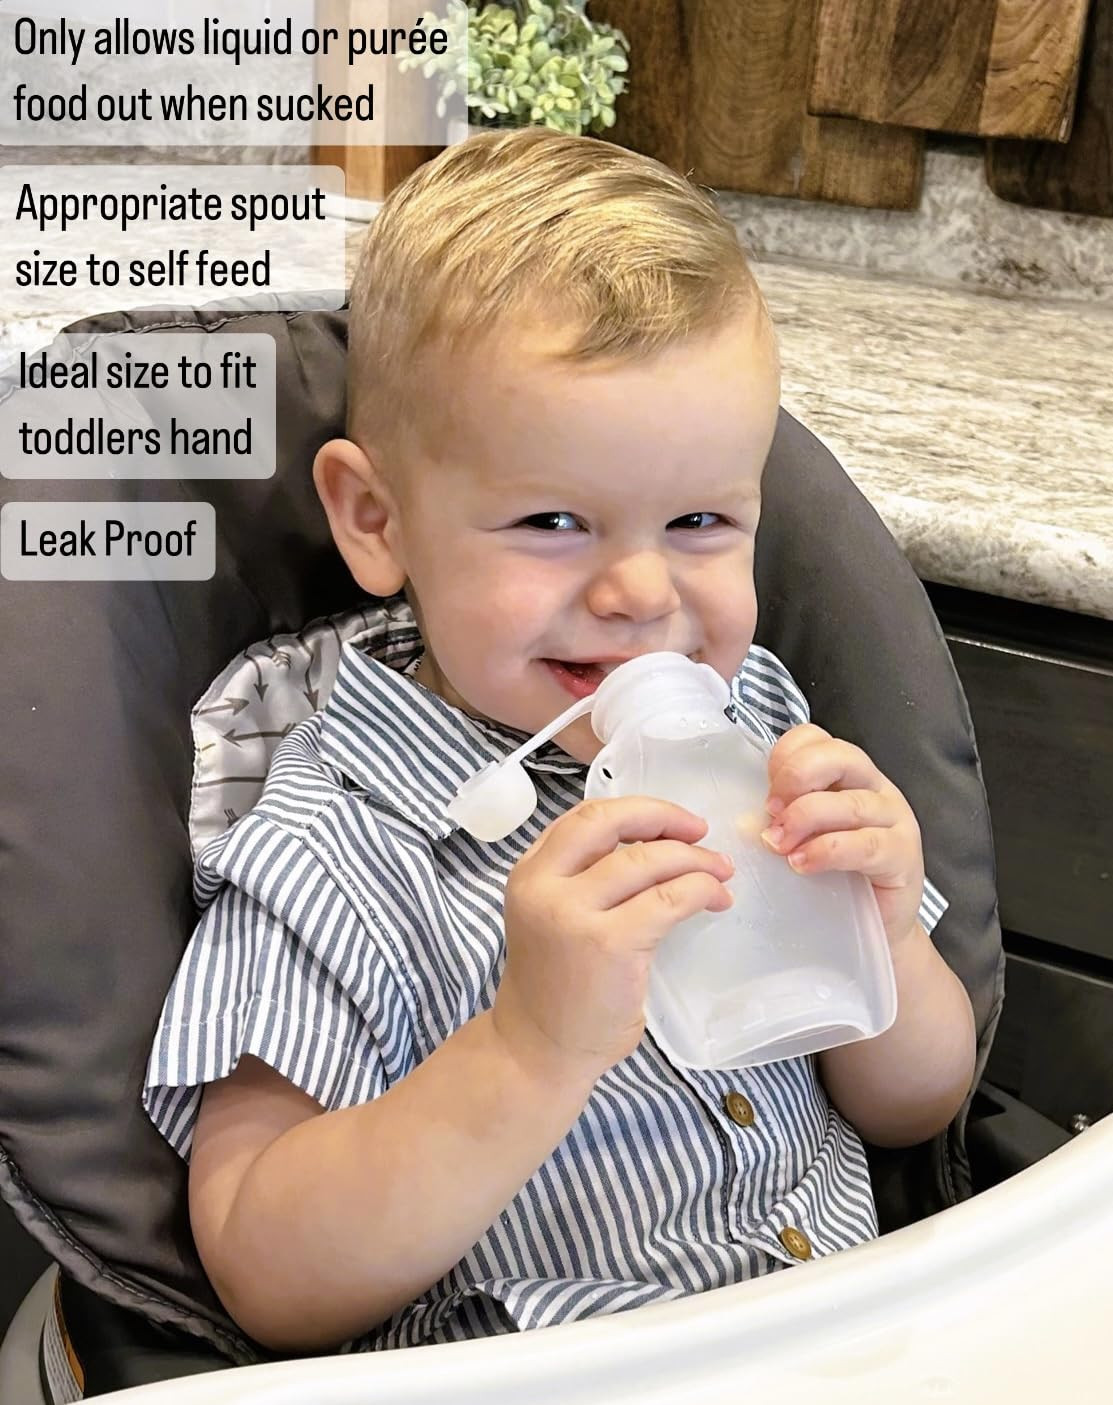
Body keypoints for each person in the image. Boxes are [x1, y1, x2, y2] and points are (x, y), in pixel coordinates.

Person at [144, 127, 976, 1354]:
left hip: (856, 1334)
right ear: (376, 520)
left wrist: (888, 941)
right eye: (552, 522)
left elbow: (916, 1108)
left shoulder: (768, 731)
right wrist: (528, 1046)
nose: (640, 593)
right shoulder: (338, 848)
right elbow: (263, 1266)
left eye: (700, 521)